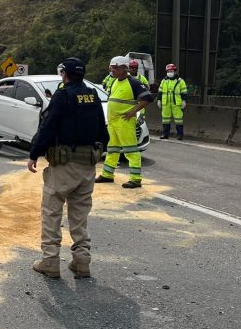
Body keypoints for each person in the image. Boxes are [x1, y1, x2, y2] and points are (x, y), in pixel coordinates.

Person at [28, 57, 108, 279]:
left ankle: (50, 261)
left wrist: (34, 153)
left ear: (65, 74)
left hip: (63, 165)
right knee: (80, 215)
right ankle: (82, 262)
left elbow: (48, 126)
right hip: (87, 164)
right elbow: (103, 129)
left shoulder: (63, 95)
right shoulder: (92, 95)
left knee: (52, 212)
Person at [96, 56, 152, 188]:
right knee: (112, 149)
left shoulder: (134, 82)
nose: (112, 70)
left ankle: (135, 179)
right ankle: (107, 174)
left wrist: (133, 111)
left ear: (123, 68)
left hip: (124, 122)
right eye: (111, 67)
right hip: (113, 122)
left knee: (130, 150)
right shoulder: (115, 82)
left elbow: (148, 97)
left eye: (115, 68)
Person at [157, 63, 188, 140]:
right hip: (166, 103)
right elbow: (160, 91)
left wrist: (184, 100)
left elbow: (184, 91)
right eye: (168, 71)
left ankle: (180, 135)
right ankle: (165, 134)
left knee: (178, 119)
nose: (169, 72)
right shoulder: (164, 81)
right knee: (165, 119)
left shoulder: (180, 81)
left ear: (175, 71)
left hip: (176, 103)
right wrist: (159, 100)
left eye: (171, 71)